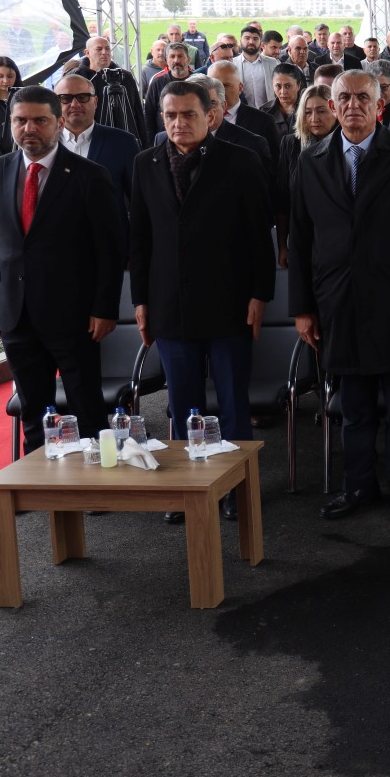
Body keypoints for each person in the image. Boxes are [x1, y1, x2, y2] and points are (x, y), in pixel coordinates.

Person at [289, 70, 390, 522]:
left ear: (379, 105)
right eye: (345, 98)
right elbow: (300, 240)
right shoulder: (312, 160)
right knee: (353, 408)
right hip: (336, 302)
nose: (353, 106)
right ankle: (358, 486)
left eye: (363, 98)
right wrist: (302, 308)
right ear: (332, 104)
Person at [130, 78, 275, 518]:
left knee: (232, 403)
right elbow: (140, 239)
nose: (178, 123)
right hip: (170, 305)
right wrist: (141, 300)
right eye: (170, 115)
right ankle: (189, 489)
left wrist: (259, 295)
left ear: (209, 116)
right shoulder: (146, 163)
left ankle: (236, 489)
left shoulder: (241, 161)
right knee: (183, 404)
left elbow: (258, 238)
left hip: (229, 301)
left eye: (188, 114)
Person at [0, 86, 124, 452]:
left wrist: (104, 308)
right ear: (10, 123)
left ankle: (95, 483)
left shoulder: (90, 176)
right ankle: (39, 483)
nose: (30, 129)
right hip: (15, 312)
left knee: (85, 404)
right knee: (33, 406)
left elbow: (111, 249)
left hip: (74, 315)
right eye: (20, 120)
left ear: (58, 123)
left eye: (40, 120)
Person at [54, 73, 138, 212]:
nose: (75, 104)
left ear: (95, 102)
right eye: (65, 98)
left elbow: (138, 201)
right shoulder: (44, 144)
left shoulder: (123, 143)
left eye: (82, 97)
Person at [274, 84, 333, 267]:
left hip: (337, 239)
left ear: (334, 110)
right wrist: (283, 245)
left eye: (321, 111)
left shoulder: (344, 145)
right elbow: (282, 199)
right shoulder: (291, 144)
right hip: (301, 237)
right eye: (308, 112)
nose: (314, 118)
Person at [263, 62, 305, 145]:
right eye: (278, 86)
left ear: (298, 85)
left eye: (288, 86)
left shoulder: (307, 109)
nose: (283, 91)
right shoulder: (264, 111)